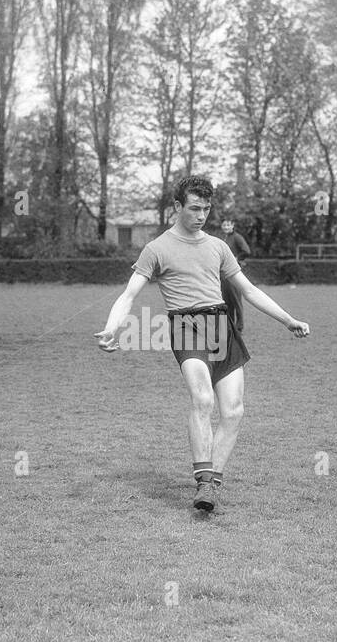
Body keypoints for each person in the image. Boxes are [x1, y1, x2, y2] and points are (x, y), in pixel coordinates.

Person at [94, 175, 310, 513]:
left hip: (221, 326)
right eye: (194, 208)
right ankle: (203, 480)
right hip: (186, 326)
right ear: (177, 207)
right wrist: (111, 328)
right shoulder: (157, 249)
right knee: (202, 397)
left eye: (206, 209)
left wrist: (288, 319)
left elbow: (249, 291)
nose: (201, 215)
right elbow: (129, 295)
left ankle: (210, 483)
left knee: (234, 409)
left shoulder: (218, 247)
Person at [218, 218, 252, 332]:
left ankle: (239, 327)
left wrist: (237, 258)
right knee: (227, 301)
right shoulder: (224, 238)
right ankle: (230, 326)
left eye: (228, 225)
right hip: (224, 274)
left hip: (234, 273)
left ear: (233, 225)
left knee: (236, 300)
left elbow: (246, 250)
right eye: (224, 225)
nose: (226, 227)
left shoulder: (237, 237)